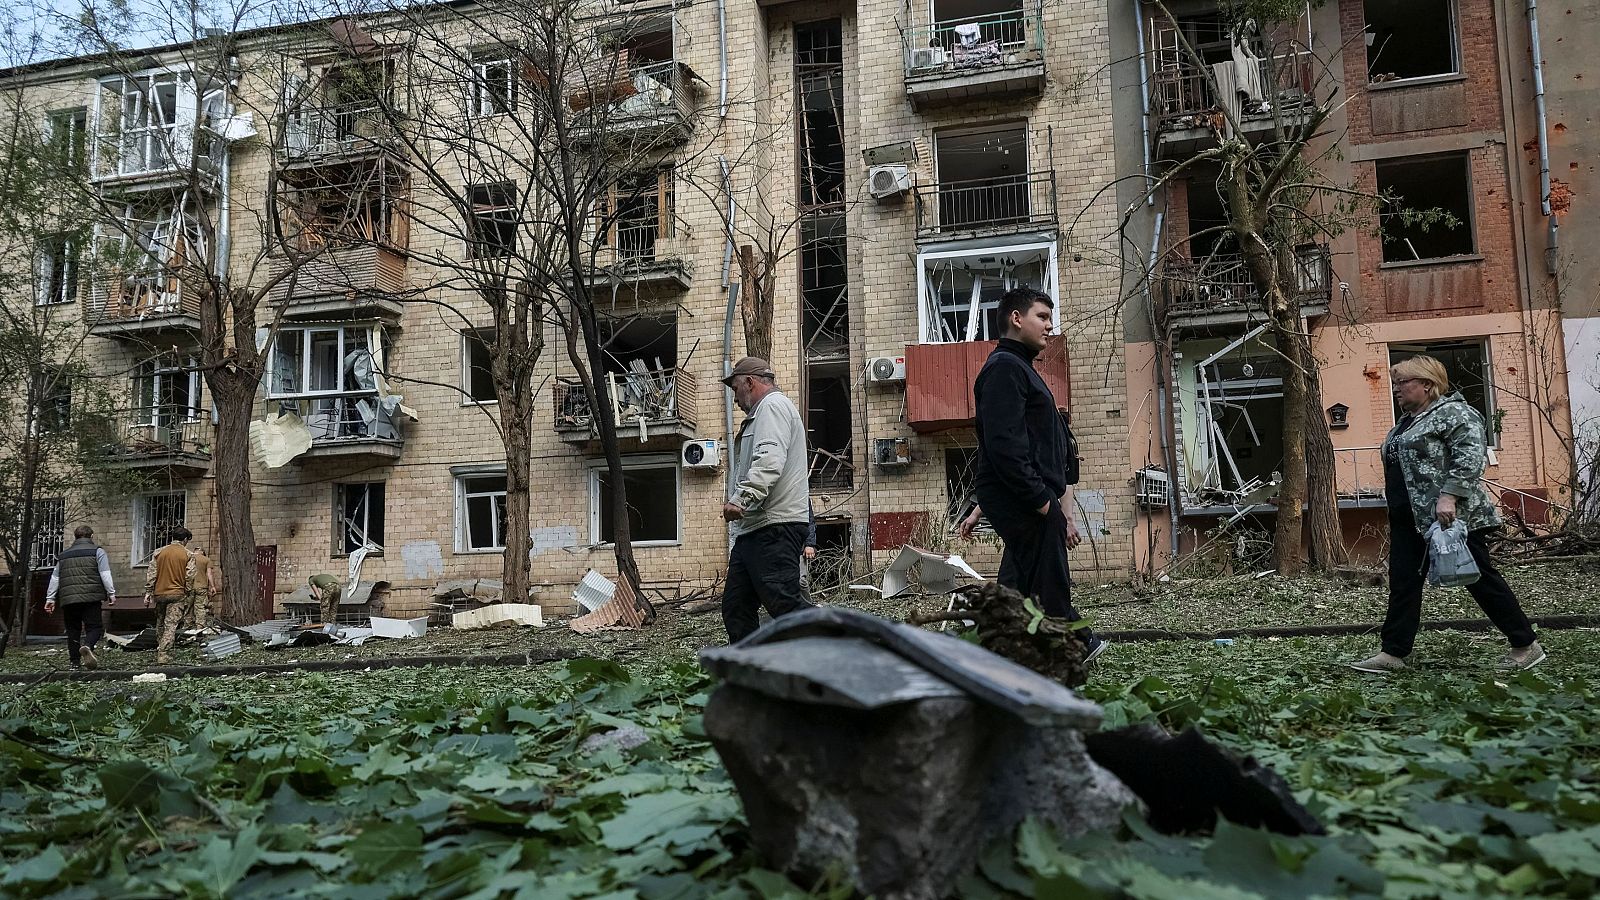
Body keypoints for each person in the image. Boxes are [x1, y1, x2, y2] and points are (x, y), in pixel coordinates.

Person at [1348, 355, 1545, 674]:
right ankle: (1393, 653)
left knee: (1479, 579)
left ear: (1427, 384)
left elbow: (1470, 456)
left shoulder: (1454, 413)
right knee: (1403, 583)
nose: (1396, 389)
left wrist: (1449, 496)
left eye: (1402, 382)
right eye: (1395, 383)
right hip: (1411, 521)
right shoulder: (1406, 422)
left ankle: (1525, 644)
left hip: (1451, 519)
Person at [959, 287, 1105, 663]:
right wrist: (1042, 501)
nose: (1049, 326)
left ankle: (991, 651)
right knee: (1048, 584)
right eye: (1042, 316)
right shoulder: (1004, 368)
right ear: (1016, 318)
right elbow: (1004, 446)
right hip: (1027, 499)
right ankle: (1070, 648)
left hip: (1028, 497)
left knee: (1017, 584)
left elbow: (1022, 444)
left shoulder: (1019, 367)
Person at [720, 356, 815, 642]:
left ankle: (845, 649)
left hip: (774, 526)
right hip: (754, 528)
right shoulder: (763, 412)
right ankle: (750, 665)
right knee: (736, 607)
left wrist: (741, 499)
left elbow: (769, 461)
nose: (735, 399)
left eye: (735, 389)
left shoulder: (772, 407)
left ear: (750, 382)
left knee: (784, 605)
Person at [43, 525, 117, 670]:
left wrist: (50, 599)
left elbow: (55, 578)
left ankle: (74, 663)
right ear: (91, 536)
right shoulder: (97, 551)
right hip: (91, 597)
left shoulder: (64, 555)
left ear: (75, 537)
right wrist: (111, 593)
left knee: (72, 630)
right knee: (94, 627)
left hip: (69, 599)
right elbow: (105, 574)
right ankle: (87, 646)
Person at [143, 527, 197, 665]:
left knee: (160, 622)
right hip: (177, 594)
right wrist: (187, 591)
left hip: (159, 594)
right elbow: (190, 576)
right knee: (171, 624)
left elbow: (152, 573)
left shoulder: (159, 552)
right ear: (185, 539)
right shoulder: (188, 554)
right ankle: (163, 653)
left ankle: (159, 646)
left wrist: (149, 592)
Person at [186, 545, 221, 630]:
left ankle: (187, 626)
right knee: (200, 607)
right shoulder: (206, 560)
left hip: (189, 587)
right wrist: (213, 586)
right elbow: (209, 574)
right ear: (202, 552)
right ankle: (200, 626)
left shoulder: (188, 558)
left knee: (188, 607)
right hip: (201, 587)